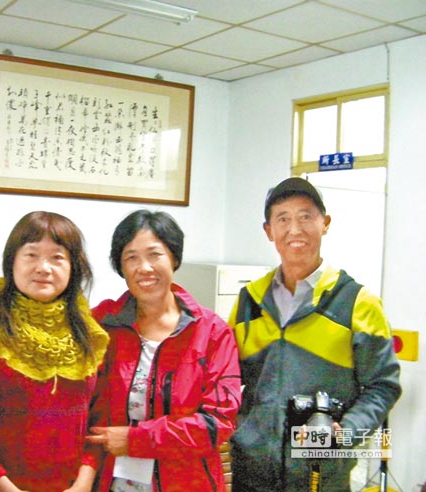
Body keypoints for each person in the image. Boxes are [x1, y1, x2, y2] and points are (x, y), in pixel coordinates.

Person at [228, 177, 402, 492]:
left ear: (325, 224)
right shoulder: (249, 300)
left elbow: (383, 387)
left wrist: (343, 434)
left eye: (306, 216)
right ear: (269, 231)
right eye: (283, 219)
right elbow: (225, 378)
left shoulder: (358, 303)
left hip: (320, 475)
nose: (295, 229)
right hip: (251, 473)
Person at [0, 211, 110, 492]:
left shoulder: (91, 332)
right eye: (31, 255)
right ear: (12, 262)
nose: (43, 268)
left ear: (74, 267)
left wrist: (83, 483)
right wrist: (3, 486)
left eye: (57, 257)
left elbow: (100, 418)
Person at [84, 210, 241, 492]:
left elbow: (218, 423)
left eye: (154, 254)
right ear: (121, 266)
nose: (144, 267)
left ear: (174, 258)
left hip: (187, 483)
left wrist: (136, 440)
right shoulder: (101, 325)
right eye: (131, 257)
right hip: (113, 484)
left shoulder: (213, 333)